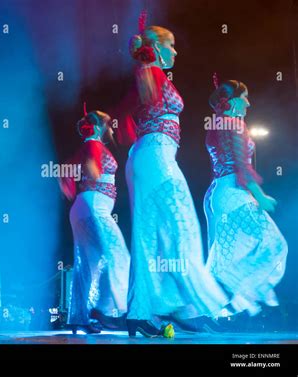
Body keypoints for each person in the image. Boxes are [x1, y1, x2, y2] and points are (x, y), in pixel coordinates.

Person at [123, 11, 227, 337]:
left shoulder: (152, 71)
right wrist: (145, 59)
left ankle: (142, 312)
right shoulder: (149, 70)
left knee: (151, 237)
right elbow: (150, 95)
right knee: (181, 227)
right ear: (156, 46)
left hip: (150, 154)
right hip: (155, 154)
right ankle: (189, 306)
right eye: (171, 45)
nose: (176, 52)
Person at [204, 77, 288, 317]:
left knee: (222, 258)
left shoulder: (216, 124)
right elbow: (241, 166)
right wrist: (260, 196)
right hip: (234, 194)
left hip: (217, 194)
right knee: (275, 245)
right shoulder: (234, 124)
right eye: (244, 98)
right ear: (231, 101)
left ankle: (214, 312)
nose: (248, 103)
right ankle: (234, 301)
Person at [60, 108, 130, 334]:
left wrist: (69, 184)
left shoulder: (88, 146)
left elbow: (65, 171)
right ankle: (102, 309)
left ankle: (78, 318)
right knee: (117, 254)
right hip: (93, 207)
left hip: (83, 207)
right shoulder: (93, 144)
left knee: (85, 266)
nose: (111, 128)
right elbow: (91, 165)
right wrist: (93, 169)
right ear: (99, 126)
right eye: (108, 124)